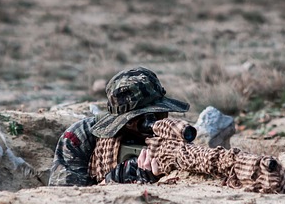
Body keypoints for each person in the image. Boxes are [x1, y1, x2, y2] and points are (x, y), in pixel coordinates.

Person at [48, 67, 189, 186]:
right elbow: (63, 197)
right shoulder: (81, 136)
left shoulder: (171, 136)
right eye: (140, 118)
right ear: (122, 121)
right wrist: (115, 179)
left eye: (158, 113)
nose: (153, 123)